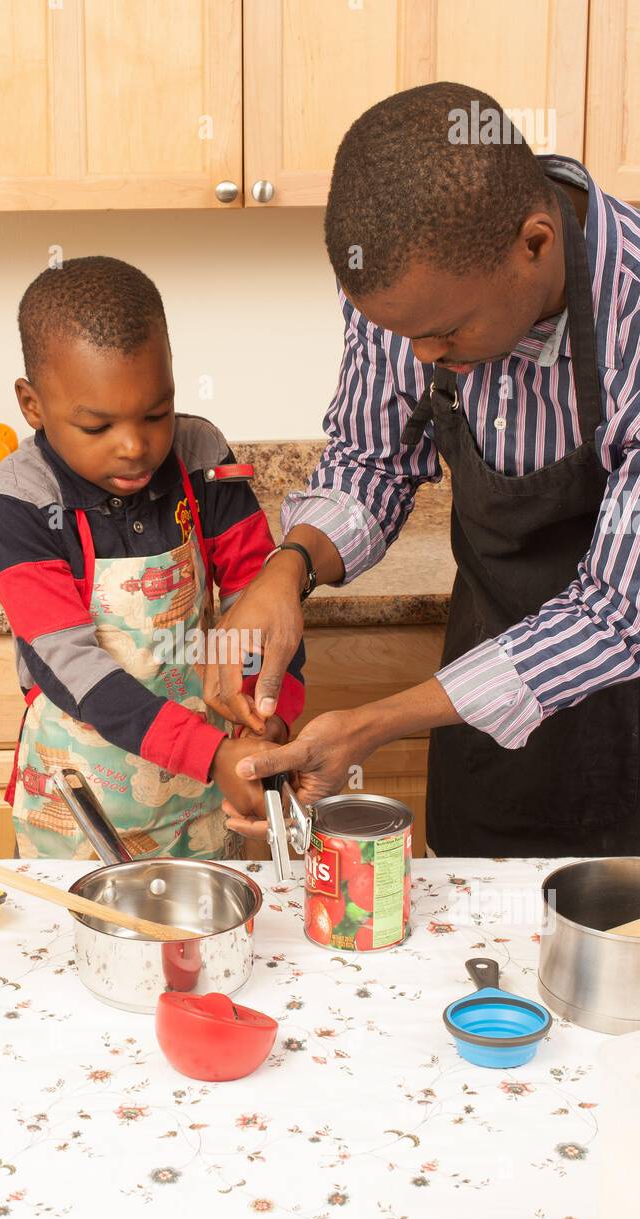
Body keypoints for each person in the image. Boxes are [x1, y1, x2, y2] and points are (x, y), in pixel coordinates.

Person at [208, 81, 640, 857]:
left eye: (440, 333)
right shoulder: (412, 288)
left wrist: (375, 723)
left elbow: (614, 614)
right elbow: (373, 460)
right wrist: (287, 567)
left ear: (534, 244)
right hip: (480, 718)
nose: (420, 358)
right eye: (399, 334)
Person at [0, 256, 304, 859]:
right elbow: (70, 666)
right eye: (98, 426)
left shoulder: (201, 453)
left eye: (156, 413)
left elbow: (258, 597)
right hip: (81, 811)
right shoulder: (17, 500)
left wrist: (269, 712)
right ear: (32, 404)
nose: (135, 447)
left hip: (209, 796)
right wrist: (213, 754)